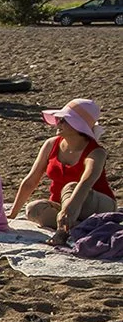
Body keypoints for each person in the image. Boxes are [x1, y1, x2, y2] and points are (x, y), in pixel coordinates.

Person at [8, 98, 114, 236]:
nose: (58, 123)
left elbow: (86, 183)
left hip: (93, 204)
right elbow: (31, 180)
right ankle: (80, 228)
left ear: (78, 125)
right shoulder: (51, 144)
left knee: (71, 187)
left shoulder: (96, 152)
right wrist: (13, 213)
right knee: (33, 209)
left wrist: (68, 210)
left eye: (64, 120)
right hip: (61, 204)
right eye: (58, 119)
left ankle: (67, 227)